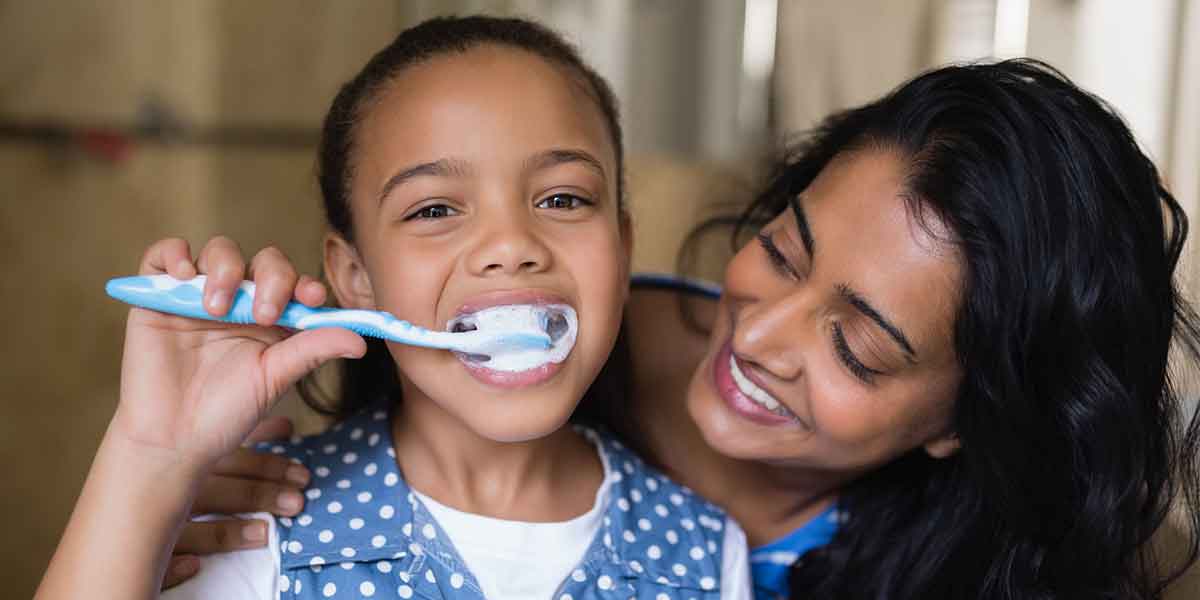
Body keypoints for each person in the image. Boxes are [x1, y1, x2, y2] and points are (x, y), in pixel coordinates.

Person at [178, 58, 1200, 599]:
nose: (758, 337)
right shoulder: (554, 327)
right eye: (785, 252)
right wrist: (194, 465)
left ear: (965, 423)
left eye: (861, 347)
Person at [35, 16, 752, 600]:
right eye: (435, 208)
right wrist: (150, 457)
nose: (509, 245)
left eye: (563, 198)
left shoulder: (703, 554)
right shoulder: (259, 529)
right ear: (356, 278)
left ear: (623, 249)